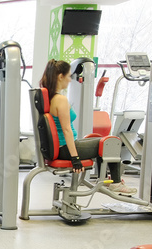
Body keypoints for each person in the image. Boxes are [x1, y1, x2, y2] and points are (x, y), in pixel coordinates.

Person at [40, 59, 136, 195]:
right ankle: (116, 183)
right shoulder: (60, 100)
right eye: (68, 76)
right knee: (111, 142)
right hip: (66, 148)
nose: (69, 79)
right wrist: (75, 158)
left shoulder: (49, 97)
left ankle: (105, 179)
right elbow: (66, 130)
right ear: (60, 76)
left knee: (103, 139)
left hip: (63, 147)